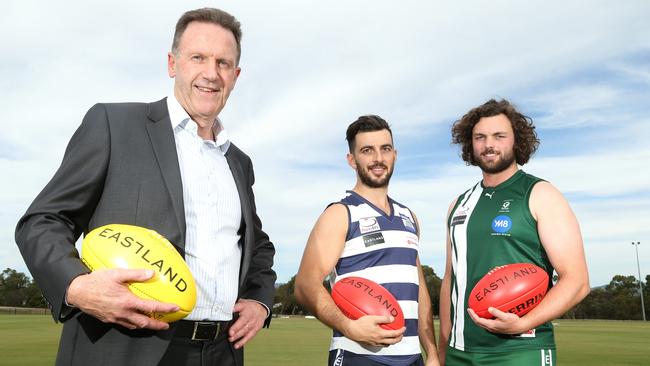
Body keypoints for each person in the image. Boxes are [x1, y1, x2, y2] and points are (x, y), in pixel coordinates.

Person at [15, 8, 276, 366]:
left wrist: (260, 301)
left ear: (236, 75)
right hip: (126, 348)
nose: (211, 74)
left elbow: (256, 245)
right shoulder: (114, 124)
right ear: (173, 64)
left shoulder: (239, 162)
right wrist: (76, 287)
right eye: (198, 57)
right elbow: (42, 220)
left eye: (223, 63)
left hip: (222, 351)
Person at [438, 99, 590, 365]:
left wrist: (524, 323)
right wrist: (441, 352)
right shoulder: (458, 204)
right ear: (470, 144)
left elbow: (577, 282)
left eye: (499, 136)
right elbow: (451, 280)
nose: (489, 145)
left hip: (521, 351)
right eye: (480, 137)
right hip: (458, 354)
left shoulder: (541, 194)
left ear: (516, 141)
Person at [295, 115, 440, 366]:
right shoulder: (340, 214)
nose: (378, 158)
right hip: (358, 356)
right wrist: (349, 327)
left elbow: (419, 289)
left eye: (385, 149)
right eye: (367, 150)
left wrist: (432, 353)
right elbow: (305, 285)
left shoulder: (409, 217)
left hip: (411, 357)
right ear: (352, 160)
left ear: (395, 154)